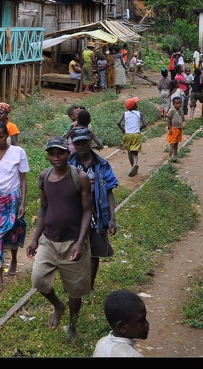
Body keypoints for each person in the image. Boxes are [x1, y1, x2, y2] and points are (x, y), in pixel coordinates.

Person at [26, 135, 92, 339]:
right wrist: (35, 238)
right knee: (38, 280)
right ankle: (57, 306)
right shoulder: (44, 177)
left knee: (75, 290)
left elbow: (87, 212)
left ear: (68, 153)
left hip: (73, 241)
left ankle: (72, 326)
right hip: (49, 240)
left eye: (60, 153)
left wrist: (80, 243)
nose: (56, 157)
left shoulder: (79, 177)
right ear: (47, 156)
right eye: (52, 154)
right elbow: (44, 209)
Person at [68, 126, 118, 295]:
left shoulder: (102, 165)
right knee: (75, 248)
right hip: (75, 215)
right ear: (73, 145)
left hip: (97, 214)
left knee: (94, 252)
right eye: (78, 144)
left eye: (84, 143)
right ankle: (77, 285)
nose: (81, 146)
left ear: (90, 143)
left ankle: (90, 285)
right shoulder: (69, 164)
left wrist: (112, 218)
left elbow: (109, 190)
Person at [0, 120, 29, 294]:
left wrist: (22, 202)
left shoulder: (18, 152)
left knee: (14, 230)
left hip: (13, 198)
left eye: (1, 137)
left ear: (8, 136)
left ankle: (14, 259)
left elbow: (23, 178)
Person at [93, 290, 149, 357]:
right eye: (141, 320)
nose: (147, 324)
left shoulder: (101, 343)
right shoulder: (133, 355)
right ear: (122, 327)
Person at [117, 97, 147, 177]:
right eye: (135, 103)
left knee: (129, 152)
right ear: (134, 106)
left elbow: (118, 122)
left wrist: (122, 129)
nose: (137, 104)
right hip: (136, 135)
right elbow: (145, 124)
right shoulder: (139, 113)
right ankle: (135, 164)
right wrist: (140, 128)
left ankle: (132, 166)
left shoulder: (124, 114)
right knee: (135, 152)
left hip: (127, 135)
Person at [165, 96, 185, 162]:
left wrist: (182, 126)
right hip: (173, 128)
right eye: (177, 104)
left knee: (176, 143)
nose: (178, 105)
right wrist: (169, 128)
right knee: (172, 143)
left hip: (179, 129)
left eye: (180, 103)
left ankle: (175, 156)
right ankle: (170, 156)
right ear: (173, 104)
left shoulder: (181, 111)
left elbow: (182, 119)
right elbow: (168, 118)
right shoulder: (172, 111)